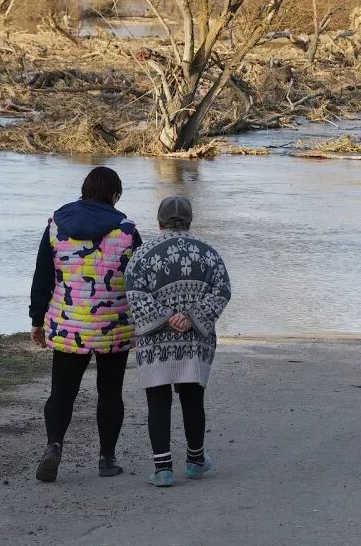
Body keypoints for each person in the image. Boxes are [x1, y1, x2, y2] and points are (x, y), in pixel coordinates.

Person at [29, 166, 141, 482]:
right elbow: (141, 282)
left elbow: (42, 278)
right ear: (115, 196)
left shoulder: (55, 226)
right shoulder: (128, 232)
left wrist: (37, 320)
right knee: (110, 393)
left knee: (62, 392)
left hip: (68, 326)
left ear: (84, 191)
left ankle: (54, 446)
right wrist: (144, 324)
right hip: (113, 325)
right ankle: (107, 458)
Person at [125, 195, 231, 487]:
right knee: (192, 400)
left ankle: (162, 470)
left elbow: (134, 294)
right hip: (195, 341)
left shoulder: (143, 255)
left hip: (155, 343)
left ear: (158, 222)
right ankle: (196, 461)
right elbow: (222, 291)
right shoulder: (209, 253)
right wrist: (192, 316)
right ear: (190, 220)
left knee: (158, 402)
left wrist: (166, 317)